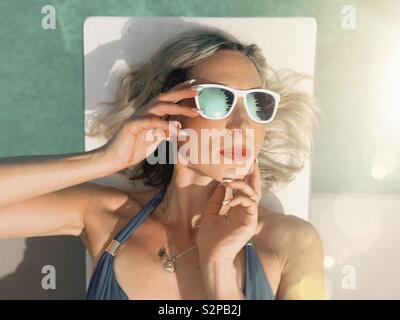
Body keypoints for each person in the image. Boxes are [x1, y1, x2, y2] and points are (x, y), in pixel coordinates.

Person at [0, 28, 325, 300]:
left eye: (258, 103)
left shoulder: (291, 243)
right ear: (169, 112)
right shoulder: (106, 216)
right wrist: (103, 160)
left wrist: (219, 268)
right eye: (218, 99)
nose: (241, 125)